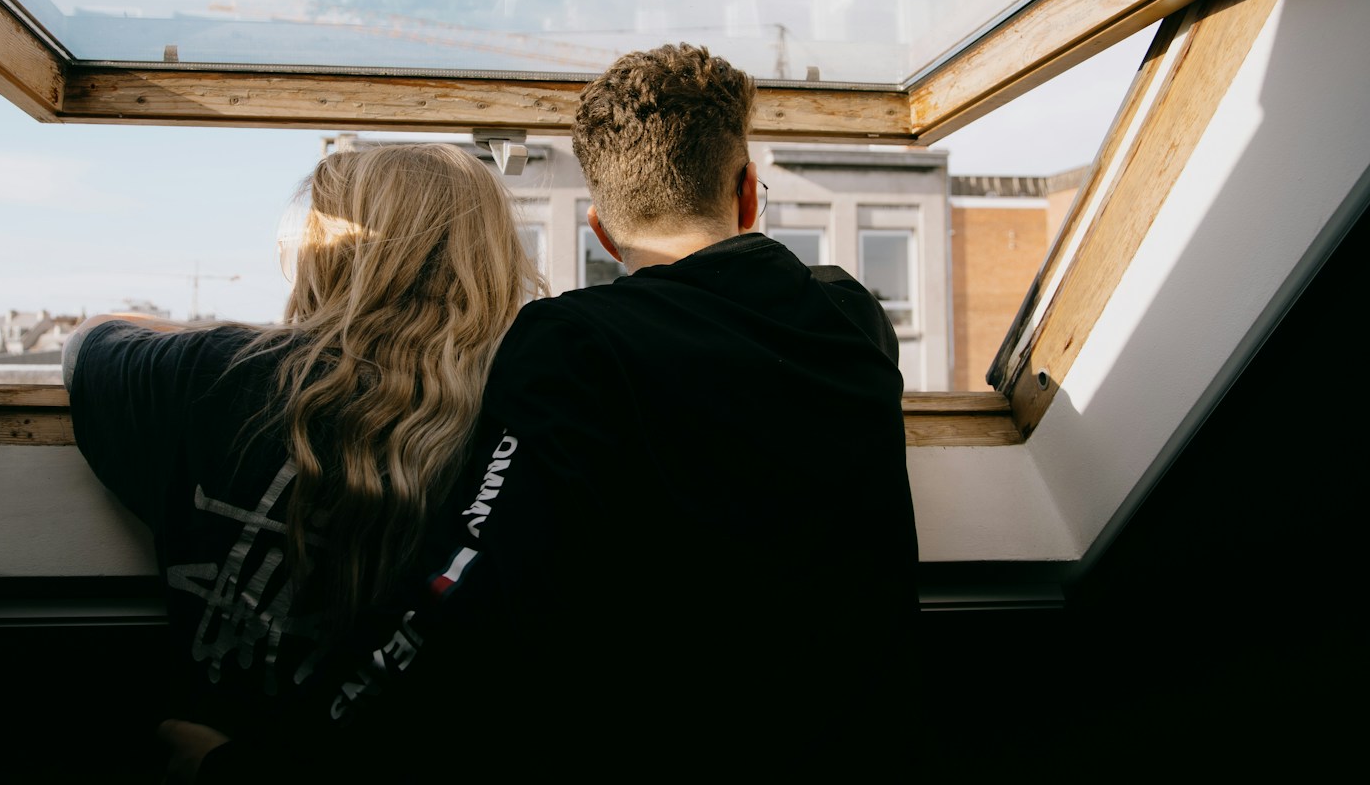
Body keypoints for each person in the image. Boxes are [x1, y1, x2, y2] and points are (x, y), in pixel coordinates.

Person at [174, 42, 919, 779]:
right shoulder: (854, 320)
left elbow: (459, 592)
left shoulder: (574, 344)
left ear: (599, 230)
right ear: (749, 192)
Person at [62, 142, 543, 750]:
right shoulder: (528, 410)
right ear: (492, 257)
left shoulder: (213, 373)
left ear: (323, 255)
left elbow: (85, 343)